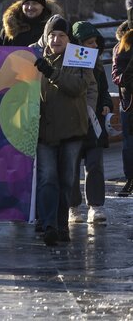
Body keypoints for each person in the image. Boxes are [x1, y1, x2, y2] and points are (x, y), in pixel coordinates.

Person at [34, 15, 94, 246]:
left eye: (61, 35)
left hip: (71, 131)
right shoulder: (35, 57)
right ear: (46, 38)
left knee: (67, 179)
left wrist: (51, 72)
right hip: (44, 131)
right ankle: (49, 225)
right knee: (47, 178)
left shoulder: (81, 58)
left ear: (69, 39)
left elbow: (78, 87)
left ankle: (61, 226)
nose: (56, 39)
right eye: (52, 35)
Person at [68, 22, 111, 225]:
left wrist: (105, 104)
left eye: (95, 42)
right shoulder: (68, 65)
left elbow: (103, 92)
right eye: (89, 42)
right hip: (72, 121)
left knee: (94, 164)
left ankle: (96, 206)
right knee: (72, 165)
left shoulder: (98, 66)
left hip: (94, 124)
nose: (94, 46)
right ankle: (73, 207)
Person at [112, 25, 133, 197]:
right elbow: (117, 75)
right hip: (129, 102)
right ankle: (130, 179)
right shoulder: (120, 46)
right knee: (129, 144)